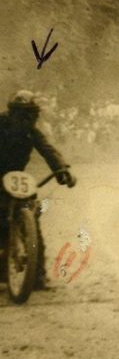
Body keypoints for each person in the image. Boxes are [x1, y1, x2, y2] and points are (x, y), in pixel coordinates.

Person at [0, 90, 76, 288]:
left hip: (16, 179)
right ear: (12, 113)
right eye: (22, 114)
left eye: (31, 114)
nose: (27, 119)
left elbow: (47, 149)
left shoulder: (31, 131)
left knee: (31, 218)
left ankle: (37, 275)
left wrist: (62, 170)